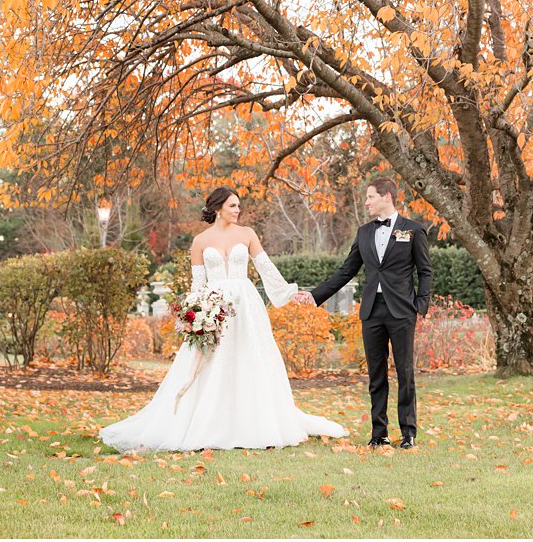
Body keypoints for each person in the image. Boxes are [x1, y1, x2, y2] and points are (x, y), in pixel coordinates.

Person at [99, 187, 346, 453]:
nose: (237, 210)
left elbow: (265, 267)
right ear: (217, 208)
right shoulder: (200, 241)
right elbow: (197, 283)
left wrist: (288, 292)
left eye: (238, 206)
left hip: (246, 307)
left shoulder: (248, 234)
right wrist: (195, 315)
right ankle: (208, 421)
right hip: (213, 306)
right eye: (232, 206)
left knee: (249, 359)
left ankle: (253, 421)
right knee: (213, 362)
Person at [293, 177, 432, 449]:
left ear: (387, 197)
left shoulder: (413, 230)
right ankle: (379, 433)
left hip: (402, 311)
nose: (366, 202)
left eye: (370, 197)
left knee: (405, 372)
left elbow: (425, 270)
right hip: (371, 312)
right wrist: (315, 295)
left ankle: (409, 433)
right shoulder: (364, 232)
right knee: (375, 374)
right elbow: (346, 271)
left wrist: (421, 304)